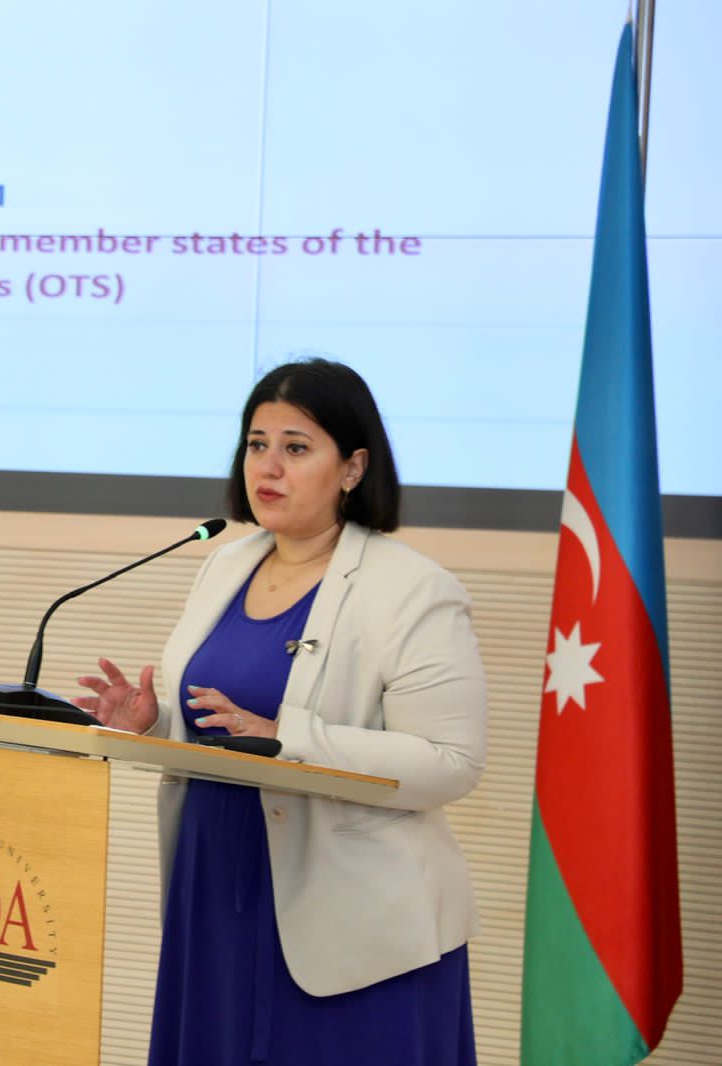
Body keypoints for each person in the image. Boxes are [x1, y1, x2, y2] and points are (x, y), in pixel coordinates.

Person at [74, 359, 486, 1066]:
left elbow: (451, 764)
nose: (268, 466)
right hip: (215, 892)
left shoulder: (412, 590)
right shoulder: (224, 564)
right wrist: (154, 723)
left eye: (296, 448)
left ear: (353, 467)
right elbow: (221, 726)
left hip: (353, 921)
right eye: (257, 444)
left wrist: (287, 737)